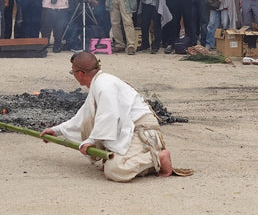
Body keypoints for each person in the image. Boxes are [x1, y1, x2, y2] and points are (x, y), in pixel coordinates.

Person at [41, 52, 178, 182]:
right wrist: (56, 130)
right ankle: (117, 155)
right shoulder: (98, 82)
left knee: (115, 169)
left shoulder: (104, 84)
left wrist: (92, 140)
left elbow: (109, 116)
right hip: (126, 128)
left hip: (141, 130)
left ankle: (156, 158)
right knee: (88, 122)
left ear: (81, 73)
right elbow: (83, 117)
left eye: (73, 72)